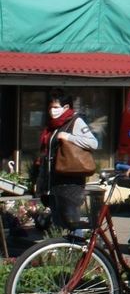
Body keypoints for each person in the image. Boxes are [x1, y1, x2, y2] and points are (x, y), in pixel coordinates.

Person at [36, 88, 98, 229]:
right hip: (54, 183)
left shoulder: (75, 122)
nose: (53, 110)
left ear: (66, 107)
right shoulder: (52, 126)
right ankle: (64, 248)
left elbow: (93, 143)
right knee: (59, 221)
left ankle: (79, 248)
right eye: (51, 107)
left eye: (56, 107)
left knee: (72, 221)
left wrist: (68, 137)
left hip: (70, 183)